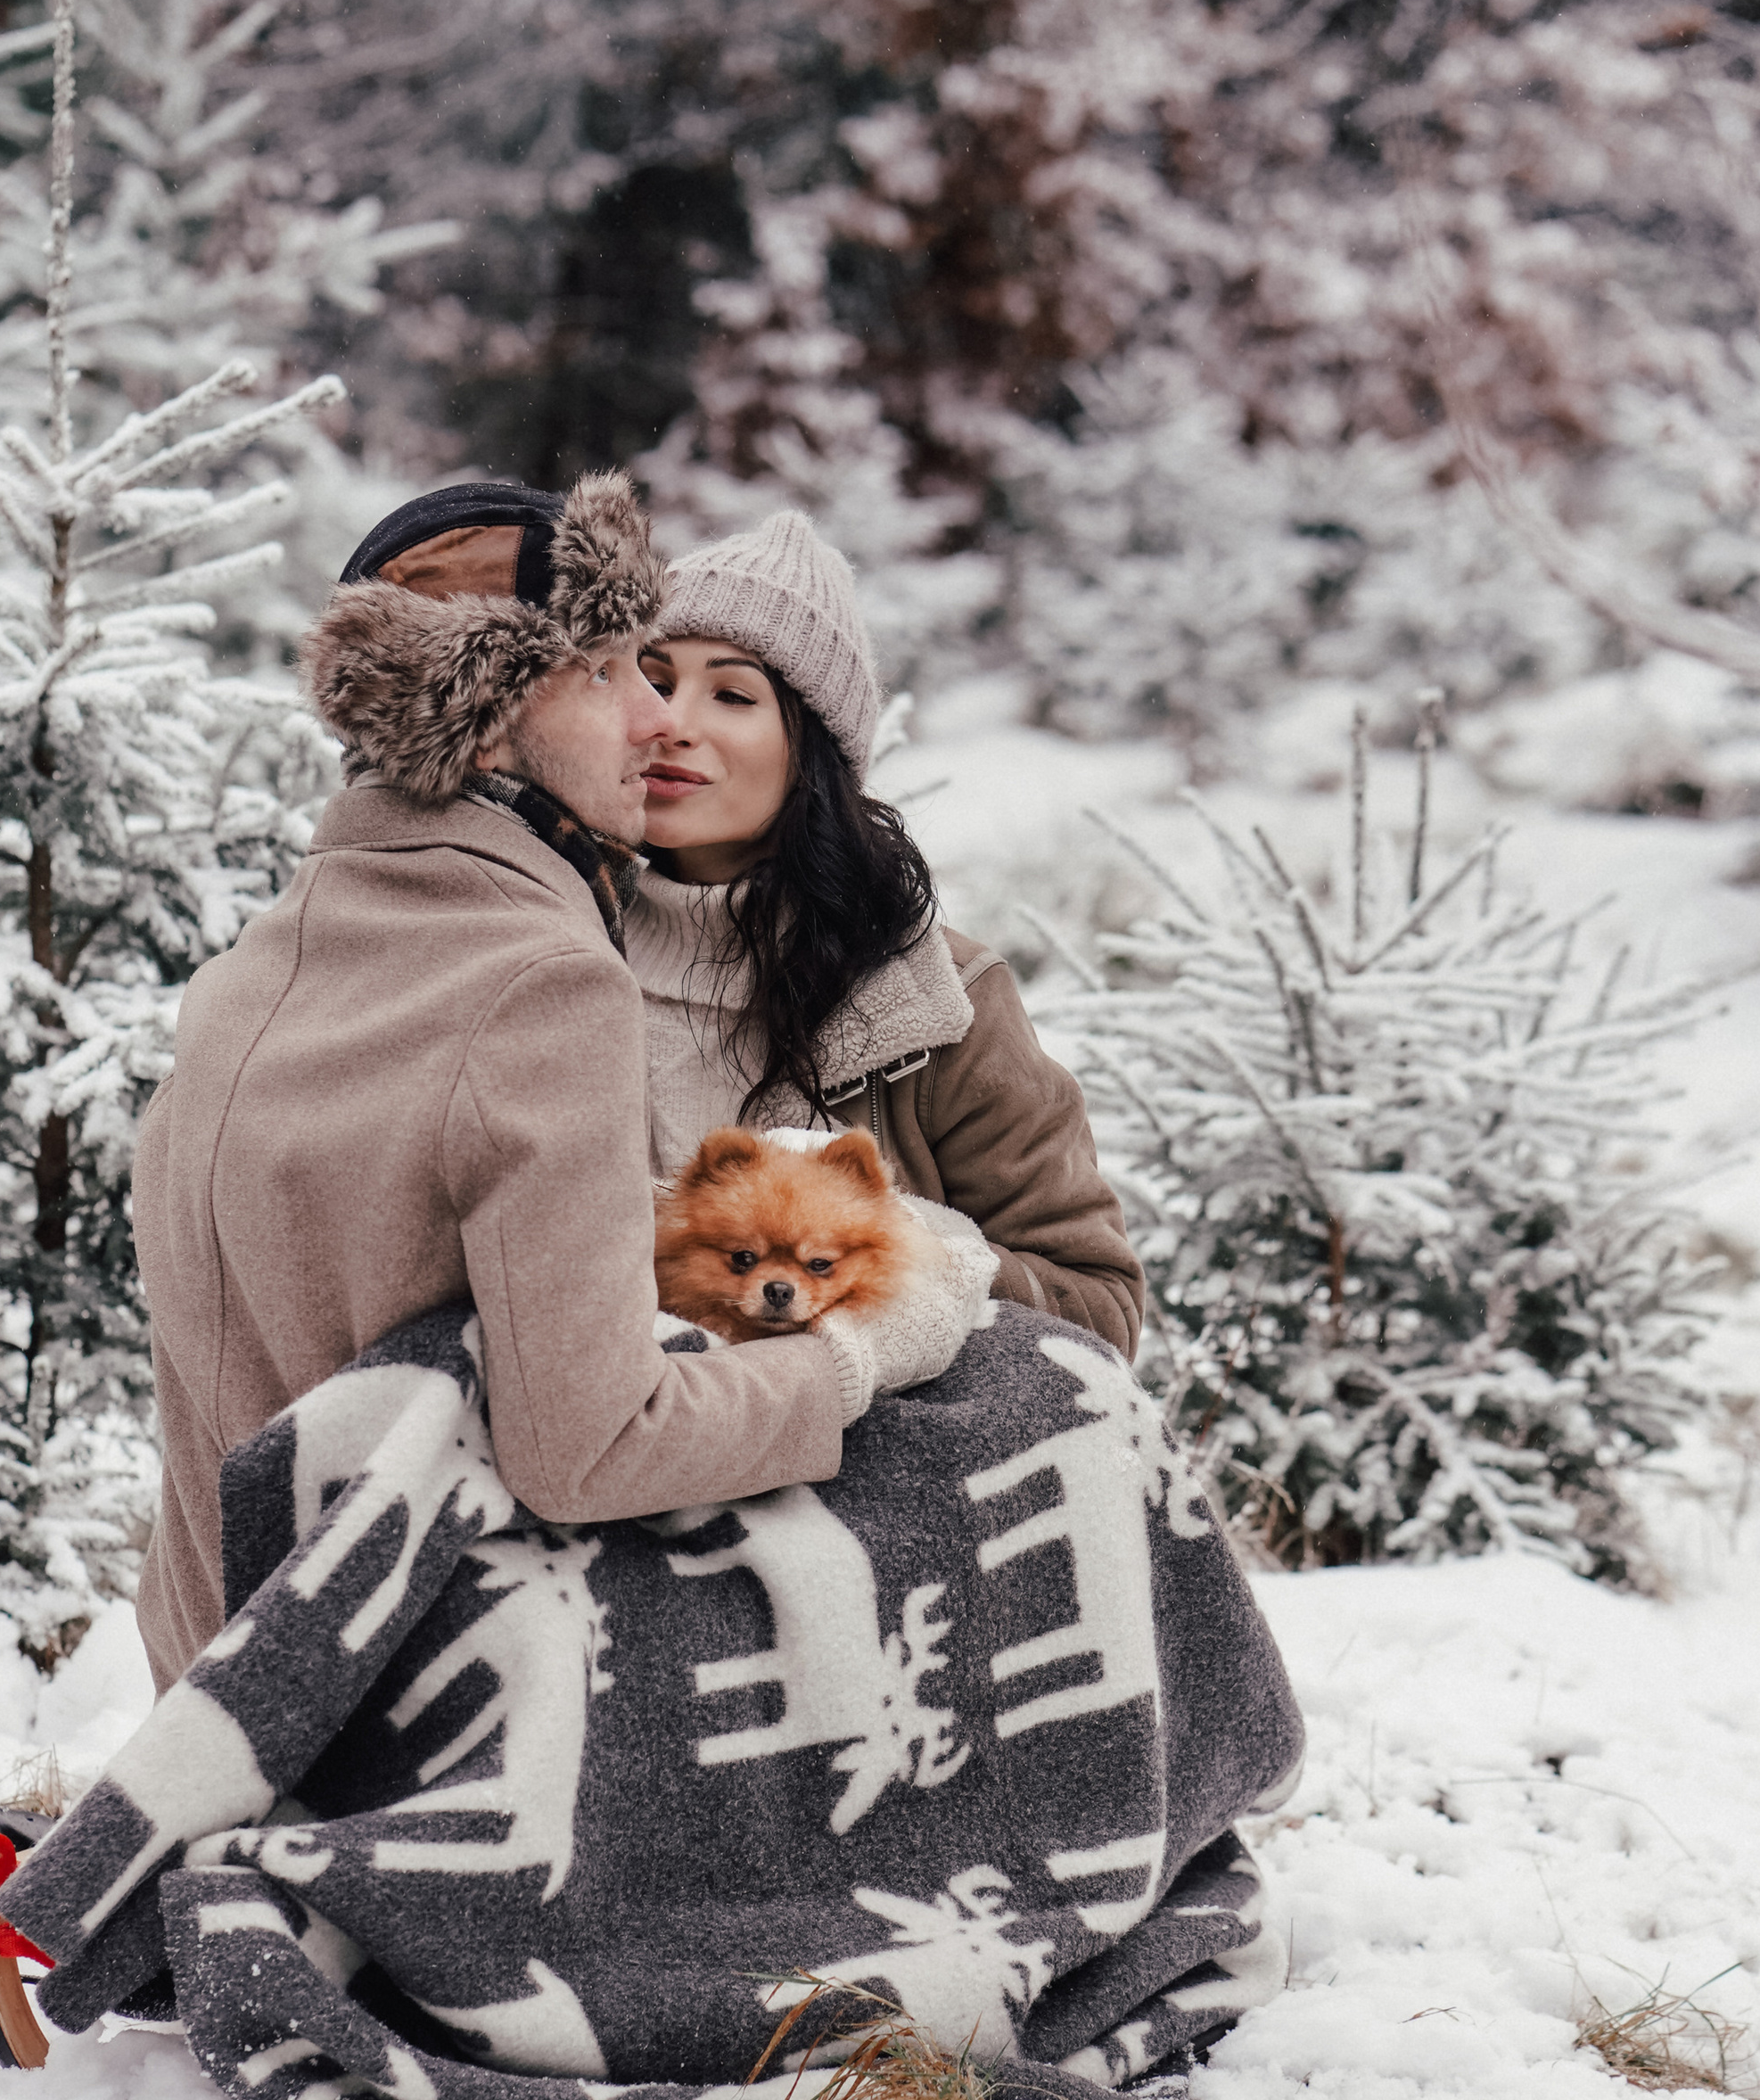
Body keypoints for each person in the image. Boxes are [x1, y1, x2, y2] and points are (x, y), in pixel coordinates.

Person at [127, 473, 990, 1688]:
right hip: (414, 1699)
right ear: (487, 706)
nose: (657, 719)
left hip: (227, 1673)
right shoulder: (545, 982)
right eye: (611, 671)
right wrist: (857, 1355)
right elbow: (592, 1450)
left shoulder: (261, 961)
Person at [626, 510, 1144, 1348]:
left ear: (813, 751)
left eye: (731, 693)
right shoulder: (543, 946)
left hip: (856, 1466)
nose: (669, 722)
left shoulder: (934, 1003)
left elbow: (1098, 1306)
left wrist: (896, 1259)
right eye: (651, 680)